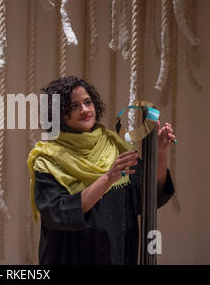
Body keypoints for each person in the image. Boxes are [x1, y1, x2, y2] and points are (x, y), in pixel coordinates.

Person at [27, 76, 176, 265]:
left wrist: (161, 153)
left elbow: (148, 197)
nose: (85, 110)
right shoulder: (47, 159)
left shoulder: (115, 146)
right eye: (74, 106)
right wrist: (106, 179)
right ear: (58, 115)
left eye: (87, 102)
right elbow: (57, 214)